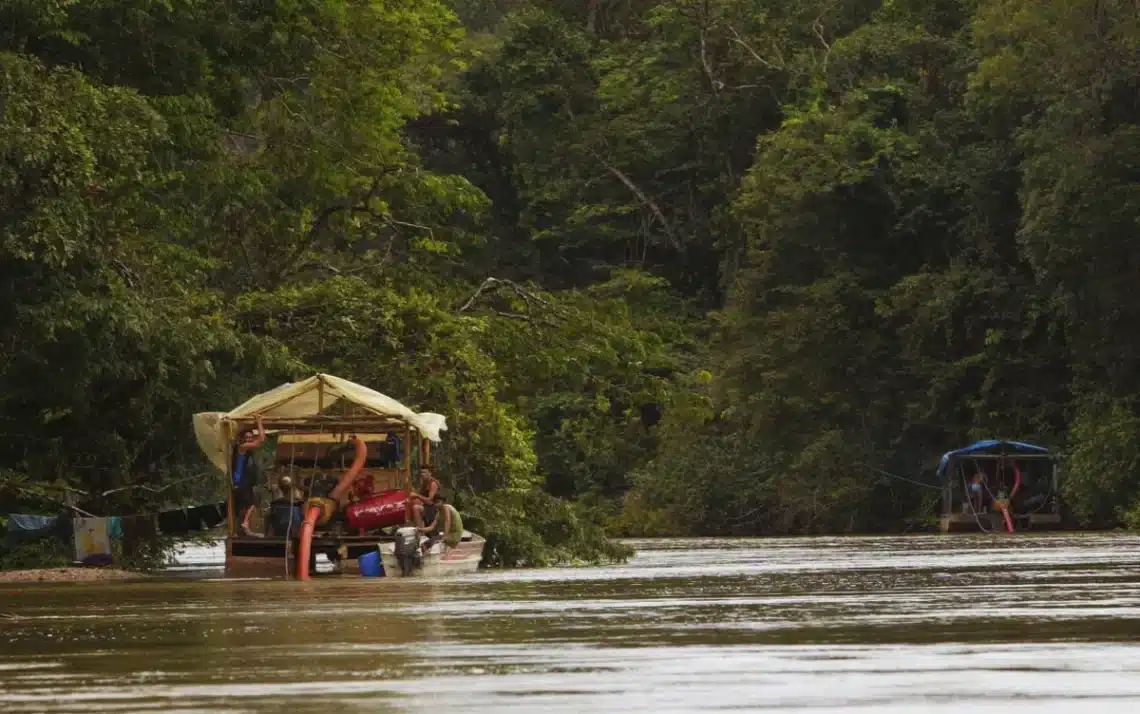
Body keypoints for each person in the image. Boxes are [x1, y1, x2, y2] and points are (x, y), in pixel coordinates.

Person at [232, 414, 266, 536]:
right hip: (240, 482)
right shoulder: (242, 447)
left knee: (246, 505)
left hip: (243, 482)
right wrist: (259, 422)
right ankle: (245, 524)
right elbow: (261, 439)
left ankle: (243, 527)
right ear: (241, 439)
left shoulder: (244, 449)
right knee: (251, 503)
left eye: (250, 437)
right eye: (246, 437)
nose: (248, 440)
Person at [410, 465, 440, 531]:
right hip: (426, 507)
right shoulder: (424, 483)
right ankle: (412, 529)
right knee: (411, 502)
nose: (422, 474)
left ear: (430, 473)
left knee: (416, 508)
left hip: (434, 508)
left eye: (424, 472)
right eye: (421, 473)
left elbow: (430, 502)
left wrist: (417, 496)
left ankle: (420, 531)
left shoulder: (433, 484)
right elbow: (419, 496)